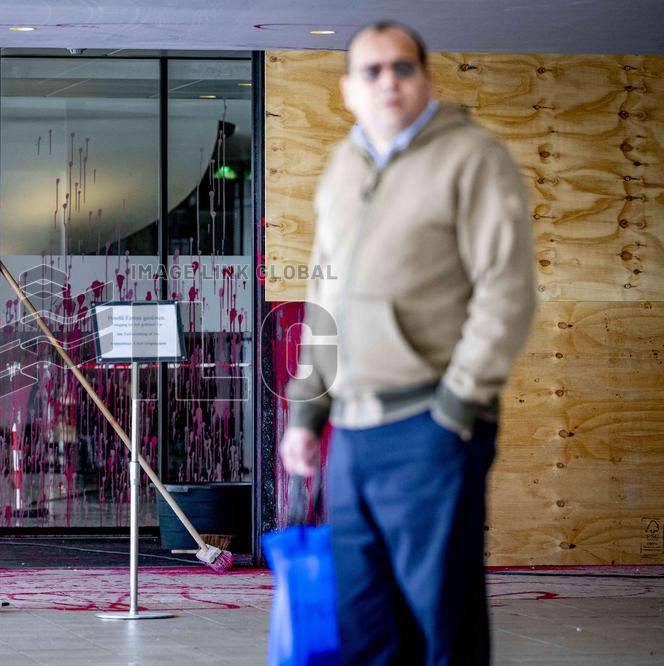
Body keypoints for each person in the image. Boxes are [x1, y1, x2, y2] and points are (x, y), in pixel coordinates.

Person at [279, 20, 537, 665]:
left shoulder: (471, 157)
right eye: (372, 70)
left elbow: (506, 290)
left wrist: (457, 405)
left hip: (430, 424)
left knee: (441, 621)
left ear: (426, 78)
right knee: (364, 620)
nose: (388, 80)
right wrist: (308, 411)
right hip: (353, 434)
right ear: (347, 90)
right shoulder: (345, 164)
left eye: (403, 67)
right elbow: (325, 291)